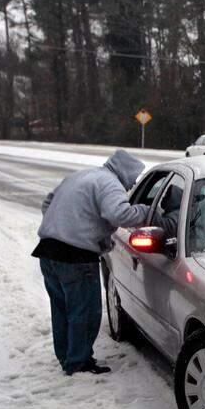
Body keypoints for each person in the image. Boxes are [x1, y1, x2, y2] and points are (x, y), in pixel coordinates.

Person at [32, 150, 150, 375]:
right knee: (84, 312)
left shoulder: (80, 176)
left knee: (62, 310)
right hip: (75, 258)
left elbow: (47, 204)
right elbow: (120, 215)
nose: (133, 183)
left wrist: (64, 227)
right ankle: (78, 364)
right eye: (134, 177)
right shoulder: (111, 184)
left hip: (48, 251)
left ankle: (68, 358)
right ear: (125, 172)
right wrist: (145, 210)